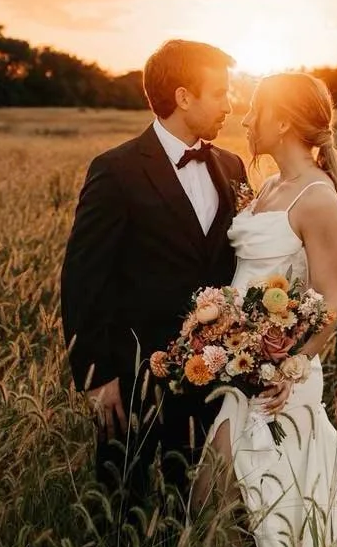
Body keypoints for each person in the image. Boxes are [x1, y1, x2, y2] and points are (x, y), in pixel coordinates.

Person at [192, 71, 337, 547]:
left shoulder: (319, 199)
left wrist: (284, 367)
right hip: (237, 369)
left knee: (272, 505)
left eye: (256, 110)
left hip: (279, 381)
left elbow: (329, 306)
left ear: (283, 120)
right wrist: (217, 328)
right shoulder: (267, 188)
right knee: (217, 500)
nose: (246, 120)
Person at [60, 39, 248, 510]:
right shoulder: (116, 169)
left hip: (219, 378)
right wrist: (98, 377)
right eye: (220, 93)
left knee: (204, 508)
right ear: (184, 97)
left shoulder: (231, 166)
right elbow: (83, 280)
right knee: (128, 511)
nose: (231, 104)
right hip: (137, 380)